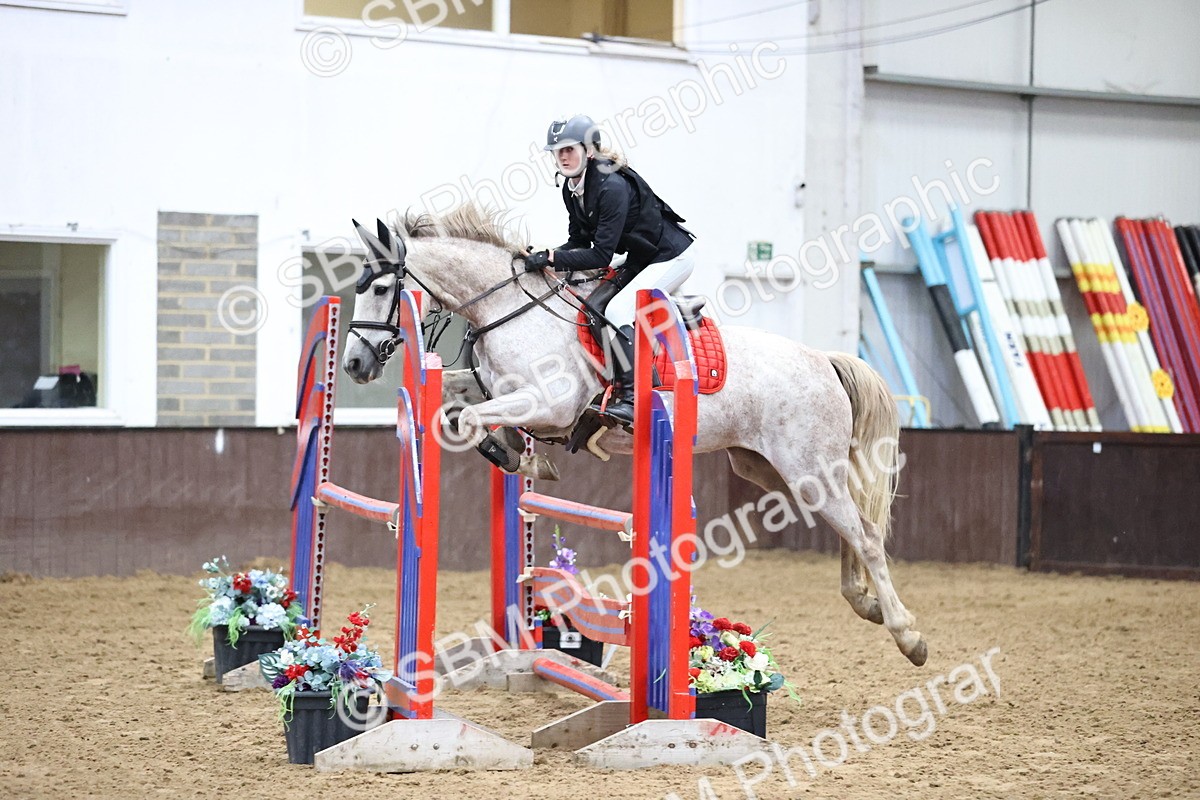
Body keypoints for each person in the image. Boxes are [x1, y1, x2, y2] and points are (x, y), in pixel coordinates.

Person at [523, 114, 695, 431]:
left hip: (672, 256)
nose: (562, 156)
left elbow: (601, 255)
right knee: (593, 307)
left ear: (590, 151)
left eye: (569, 149)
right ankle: (614, 381)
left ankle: (633, 398)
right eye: (556, 151)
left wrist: (552, 258)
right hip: (642, 256)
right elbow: (578, 242)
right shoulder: (571, 187)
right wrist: (544, 257)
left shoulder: (611, 186)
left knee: (616, 309)